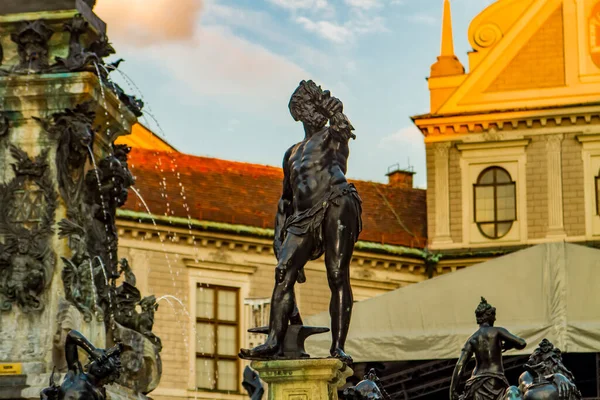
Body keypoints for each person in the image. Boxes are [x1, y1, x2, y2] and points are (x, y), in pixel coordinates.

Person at [239, 80, 362, 363]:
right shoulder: (291, 153)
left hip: (336, 201)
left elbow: (345, 129)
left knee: (337, 273)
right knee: (283, 271)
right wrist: (278, 237)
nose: (314, 109)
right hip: (302, 216)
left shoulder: (333, 135)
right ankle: (273, 341)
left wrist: (337, 112)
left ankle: (337, 347)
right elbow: (286, 199)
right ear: (298, 112)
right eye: (309, 105)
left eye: (316, 103)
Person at [450, 297, 527, 400]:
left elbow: (460, 365)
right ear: (488, 316)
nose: (495, 319)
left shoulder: (472, 339)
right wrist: (509, 345)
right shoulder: (498, 331)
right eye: (493, 316)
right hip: (495, 380)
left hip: (476, 384)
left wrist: (453, 390)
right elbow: (521, 343)